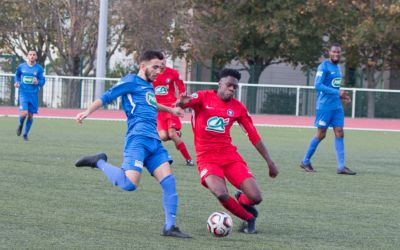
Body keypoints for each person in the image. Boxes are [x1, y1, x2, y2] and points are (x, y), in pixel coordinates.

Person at [74, 50, 191, 238]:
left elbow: (151, 103)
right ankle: (98, 162)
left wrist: (171, 109)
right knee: (129, 184)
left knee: (169, 183)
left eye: (161, 68)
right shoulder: (130, 81)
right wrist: (87, 112)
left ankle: (170, 227)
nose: (158, 72)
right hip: (137, 139)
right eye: (155, 67)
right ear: (142, 66)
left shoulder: (148, 85)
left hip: (154, 142)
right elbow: (106, 97)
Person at [176, 68, 279, 234]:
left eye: (235, 87)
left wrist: (270, 162)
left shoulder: (238, 108)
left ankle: (242, 199)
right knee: (221, 193)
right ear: (220, 84)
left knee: (256, 197)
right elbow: (184, 102)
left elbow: (253, 135)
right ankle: (249, 219)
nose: (231, 89)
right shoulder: (203, 97)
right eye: (229, 85)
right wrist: (181, 102)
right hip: (207, 158)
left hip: (230, 156)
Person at [300, 43, 356, 175]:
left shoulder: (338, 68)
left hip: (336, 106)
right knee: (321, 134)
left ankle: (341, 167)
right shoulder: (323, 66)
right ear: (329, 53)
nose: (336, 54)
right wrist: (337, 93)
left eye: (338, 52)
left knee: (340, 132)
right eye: (334, 52)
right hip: (324, 107)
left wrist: (343, 97)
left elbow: (334, 88)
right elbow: (317, 85)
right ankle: (305, 161)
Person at [153, 60, 194, 166]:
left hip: (171, 107)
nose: (161, 64)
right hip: (159, 109)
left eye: (163, 62)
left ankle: (188, 159)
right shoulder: (152, 74)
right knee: (163, 137)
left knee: (171, 134)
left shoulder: (173, 73)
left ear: (166, 62)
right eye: (159, 62)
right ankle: (177, 134)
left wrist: (179, 99)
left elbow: (181, 88)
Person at [14, 50, 46, 141]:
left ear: (36, 57)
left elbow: (43, 81)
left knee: (31, 115)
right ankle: (20, 124)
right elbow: (17, 76)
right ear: (27, 56)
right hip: (23, 93)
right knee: (24, 113)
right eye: (30, 54)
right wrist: (16, 82)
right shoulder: (21, 66)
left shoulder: (39, 69)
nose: (32, 56)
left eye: (34, 55)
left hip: (33, 94)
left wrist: (38, 82)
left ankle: (25, 134)